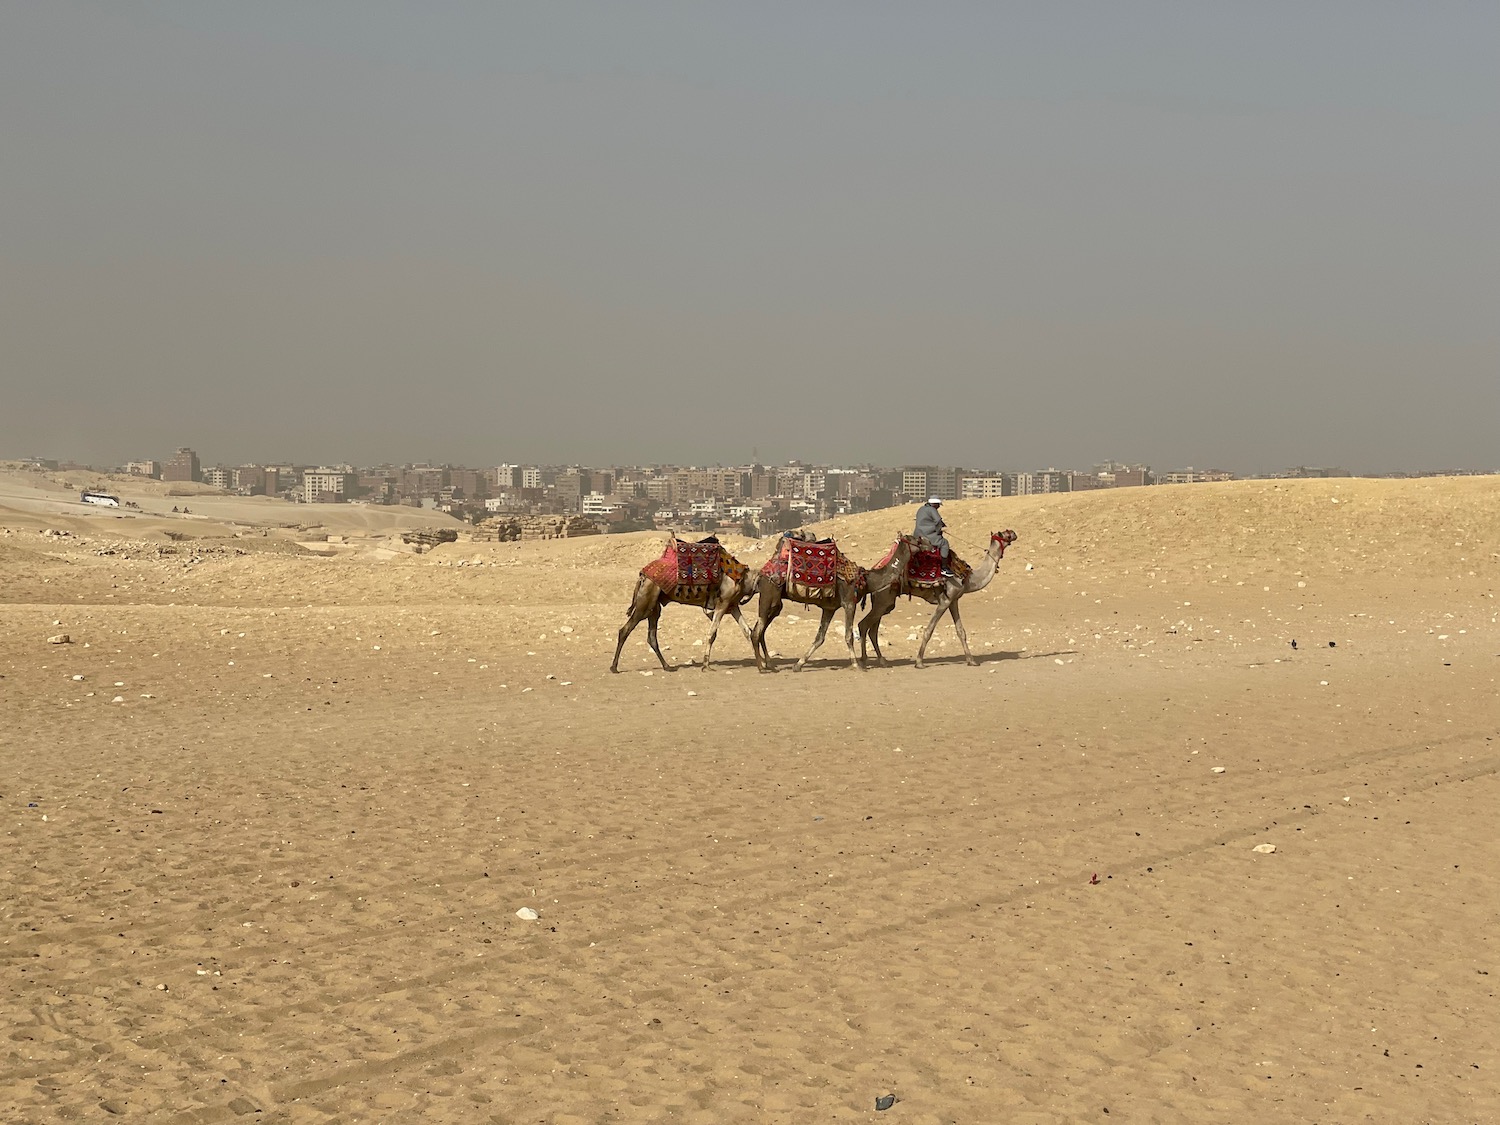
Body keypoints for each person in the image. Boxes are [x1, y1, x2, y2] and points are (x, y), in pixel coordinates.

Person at [913, 496, 953, 577]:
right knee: (944, 543)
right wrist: (939, 531)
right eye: (938, 505)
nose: (938, 507)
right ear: (935, 504)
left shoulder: (921, 509)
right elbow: (938, 521)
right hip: (928, 535)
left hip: (917, 535)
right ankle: (944, 568)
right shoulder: (932, 510)